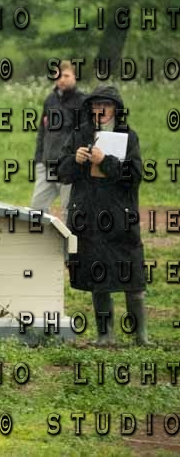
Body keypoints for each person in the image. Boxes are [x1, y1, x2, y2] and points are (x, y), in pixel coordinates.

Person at [56, 85, 151, 346]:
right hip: (89, 218)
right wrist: (74, 160)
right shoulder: (79, 135)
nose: (100, 110)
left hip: (121, 218)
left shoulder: (129, 137)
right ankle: (105, 334)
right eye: (96, 105)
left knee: (132, 276)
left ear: (116, 109)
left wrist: (105, 160)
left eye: (106, 105)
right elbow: (61, 173)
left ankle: (140, 335)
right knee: (98, 276)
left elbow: (135, 176)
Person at [31, 60, 87, 215]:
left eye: (66, 75)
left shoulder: (83, 102)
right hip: (47, 164)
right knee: (36, 209)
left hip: (69, 166)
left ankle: (71, 233)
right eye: (58, 76)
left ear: (75, 76)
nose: (62, 79)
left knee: (69, 211)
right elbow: (42, 131)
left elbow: (85, 134)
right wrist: (39, 159)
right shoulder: (50, 100)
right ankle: (44, 233)